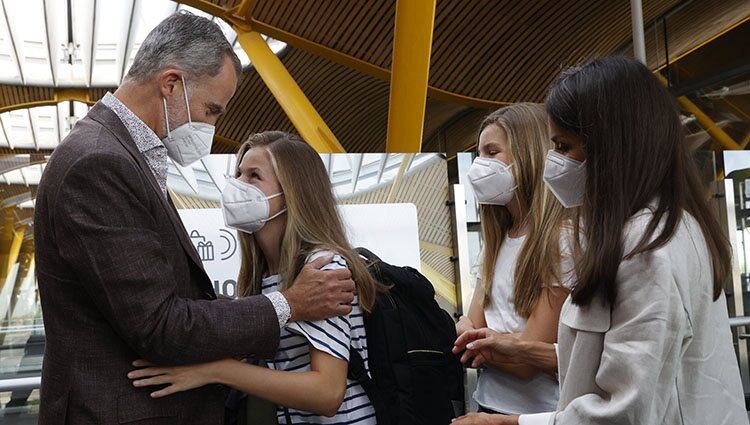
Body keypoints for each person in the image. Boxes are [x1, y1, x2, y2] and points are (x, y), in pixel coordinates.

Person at [34, 14, 354, 425]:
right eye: (212, 109)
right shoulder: (100, 162)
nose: (211, 125)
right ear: (170, 84)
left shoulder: (116, 154)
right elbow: (161, 324)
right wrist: (288, 304)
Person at [452, 55, 748, 425]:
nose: (554, 163)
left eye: (562, 147)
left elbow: (624, 410)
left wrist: (511, 422)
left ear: (611, 148)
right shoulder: (672, 228)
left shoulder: (645, 250)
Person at [127, 131, 388, 424]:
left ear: (293, 192)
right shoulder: (263, 276)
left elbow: (327, 393)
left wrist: (213, 370)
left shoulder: (322, 269)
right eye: (238, 173)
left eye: (254, 176)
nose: (237, 185)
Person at [454, 103, 571, 415]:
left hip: (537, 414)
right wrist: (500, 340)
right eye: (478, 154)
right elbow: (470, 332)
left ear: (529, 154)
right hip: (487, 402)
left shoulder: (561, 241)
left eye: (492, 152)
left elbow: (526, 363)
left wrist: (489, 341)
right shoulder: (496, 242)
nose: (480, 165)